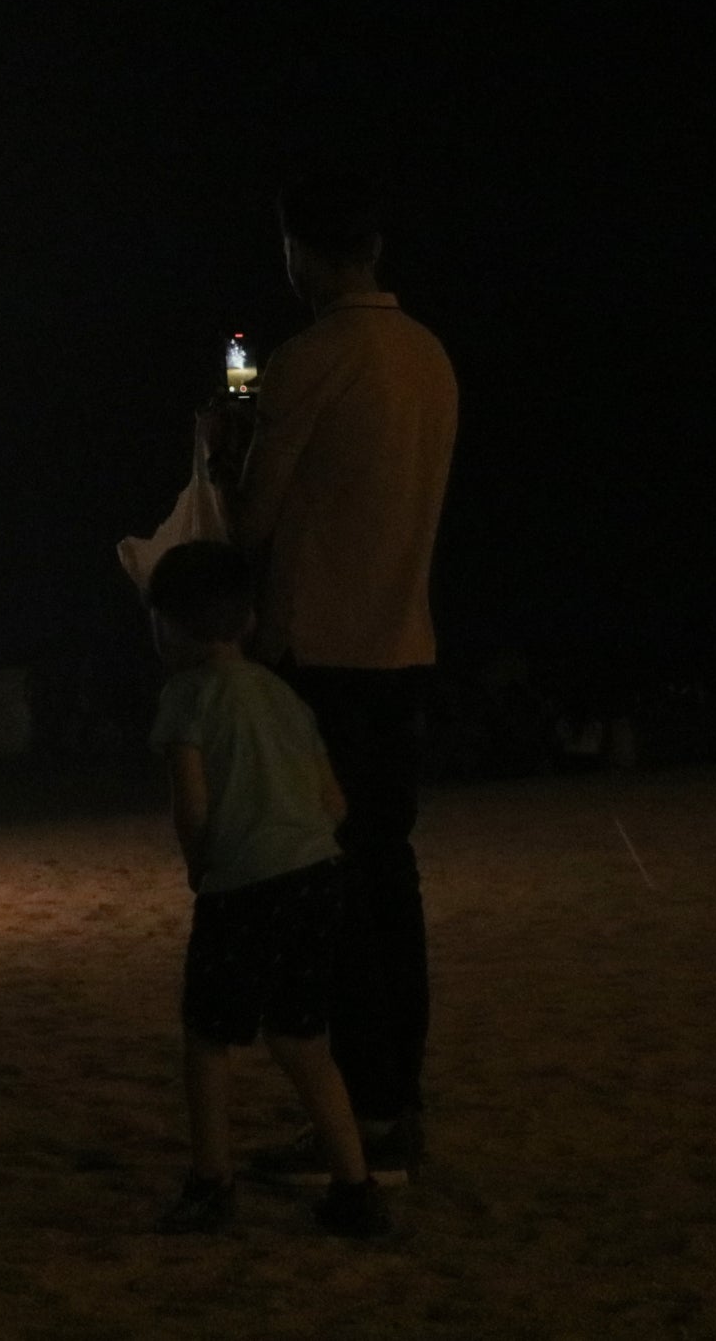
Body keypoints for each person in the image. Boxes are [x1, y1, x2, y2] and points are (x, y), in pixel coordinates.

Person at [209, 170, 458, 1185]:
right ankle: (396, 1103)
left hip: (322, 659)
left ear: (301, 252)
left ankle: (352, 1120)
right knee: (389, 887)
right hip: (401, 646)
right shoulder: (429, 357)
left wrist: (232, 450)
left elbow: (251, 521)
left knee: (329, 898)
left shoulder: (311, 359)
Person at [145, 540, 391, 1238]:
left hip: (244, 887)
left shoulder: (185, 697)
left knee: (208, 1037)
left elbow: (190, 804)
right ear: (249, 620)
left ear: (167, 625)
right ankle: (354, 1185)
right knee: (303, 1035)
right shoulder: (284, 694)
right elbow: (334, 801)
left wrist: (201, 866)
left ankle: (211, 1181)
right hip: (318, 878)